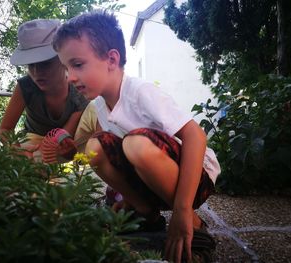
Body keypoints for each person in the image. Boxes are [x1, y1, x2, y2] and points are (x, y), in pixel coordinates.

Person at [53, 10, 221, 262]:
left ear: (111, 59)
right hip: (151, 177)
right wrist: (71, 156)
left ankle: (195, 225)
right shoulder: (99, 104)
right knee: (95, 146)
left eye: (77, 64)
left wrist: (182, 210)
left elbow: (195, 135)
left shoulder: (140, 92)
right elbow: (109, 154)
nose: (70, 77)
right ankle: (145, 212)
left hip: (196, 177)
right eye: (65, 68)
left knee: (136, 144)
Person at [0, 18, 96, 161]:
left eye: (45, 64)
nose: (37, 72)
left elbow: (63, 137)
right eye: (31, 65)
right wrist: (16, 149)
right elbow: (5, 129)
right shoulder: (25, 86)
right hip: (32, 142)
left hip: (66, 141)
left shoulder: (78, 89)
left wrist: (64, 148)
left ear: (62, 59)